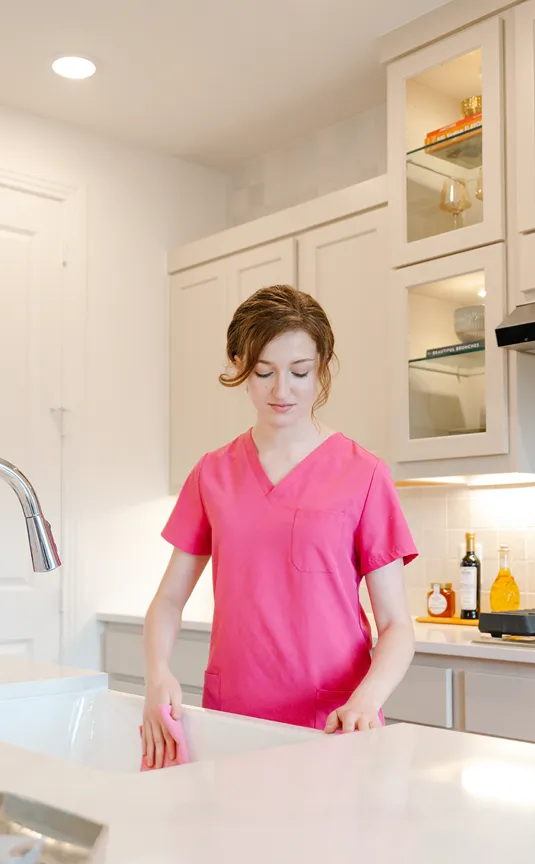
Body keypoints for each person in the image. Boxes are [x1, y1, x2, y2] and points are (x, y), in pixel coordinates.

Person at [141, 284, 417, 767]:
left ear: (322, 369)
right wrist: (157, 672)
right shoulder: (213, 473)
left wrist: (366, 699)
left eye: (299, 372)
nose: (281, 390)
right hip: (231, 722)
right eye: (263, 372)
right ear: (239, 368)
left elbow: (395, 625)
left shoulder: (364, 473)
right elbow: (167, 600)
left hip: (334, 723)